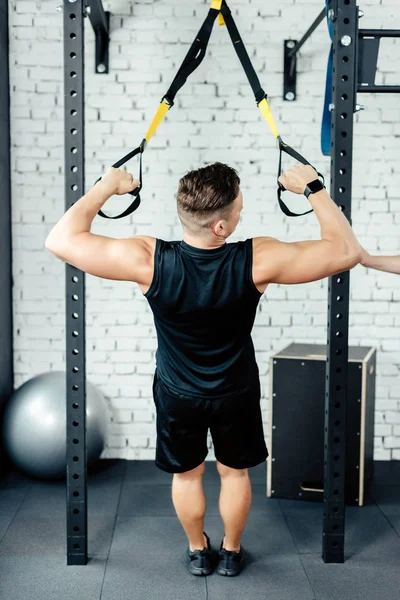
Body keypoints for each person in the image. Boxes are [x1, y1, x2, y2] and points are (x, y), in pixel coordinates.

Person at [45, 162, 361, 577]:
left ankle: (198, 551)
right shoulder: (257, 259)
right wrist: (313, 188)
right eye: (238, 210)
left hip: (178, 392)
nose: (242, 214)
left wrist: (106, 187)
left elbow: (61, 239)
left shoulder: (147, 259)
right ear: (221, 228)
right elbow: (346, 251)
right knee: (234, 474)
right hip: (235, 390)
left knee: (188, 477)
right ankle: (231, 552)